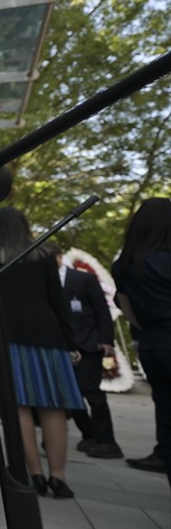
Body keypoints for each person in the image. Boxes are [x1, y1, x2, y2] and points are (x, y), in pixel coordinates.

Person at [0, 207, 83, 498]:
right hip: (48, 337)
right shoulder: (43, 253)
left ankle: (33, 474)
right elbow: (57, 301)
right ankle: (58, 478)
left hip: (1, 336)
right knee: (53, 407)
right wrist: (70, 343)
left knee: (17, 406)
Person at [110, 197, 171, 482]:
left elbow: (128, 312)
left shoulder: (125, 265)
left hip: (152, 343)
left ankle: (163, 453)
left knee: (164, 405)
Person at [54, 245, 122, 459]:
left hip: (89, 344)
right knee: (69, 394)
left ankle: (106, 441)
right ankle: (90, 434)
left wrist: (105, 340)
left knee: (90, 391)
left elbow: (102, 309)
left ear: (59, 257)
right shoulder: (45, 283)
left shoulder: (83, 279)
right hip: (62, 346)